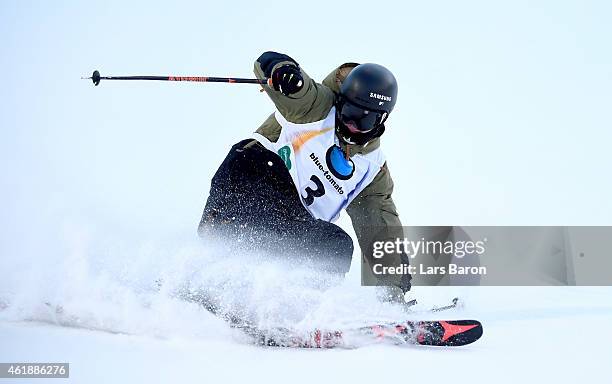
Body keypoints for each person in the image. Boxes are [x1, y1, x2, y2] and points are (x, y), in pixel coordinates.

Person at [198, 51, 411, 295]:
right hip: (248, 183)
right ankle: (296, 308)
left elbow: (380, 226)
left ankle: (281, 311)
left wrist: (394, 285)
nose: (353, 124)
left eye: (366, 120)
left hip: (287, 223)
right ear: (340, 102)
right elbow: (281, 74)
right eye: (350, 113)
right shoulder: (316, 107)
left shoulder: (371, 172)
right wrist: (281, 70)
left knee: (332, 248)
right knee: (334, 245)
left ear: (382, 120)